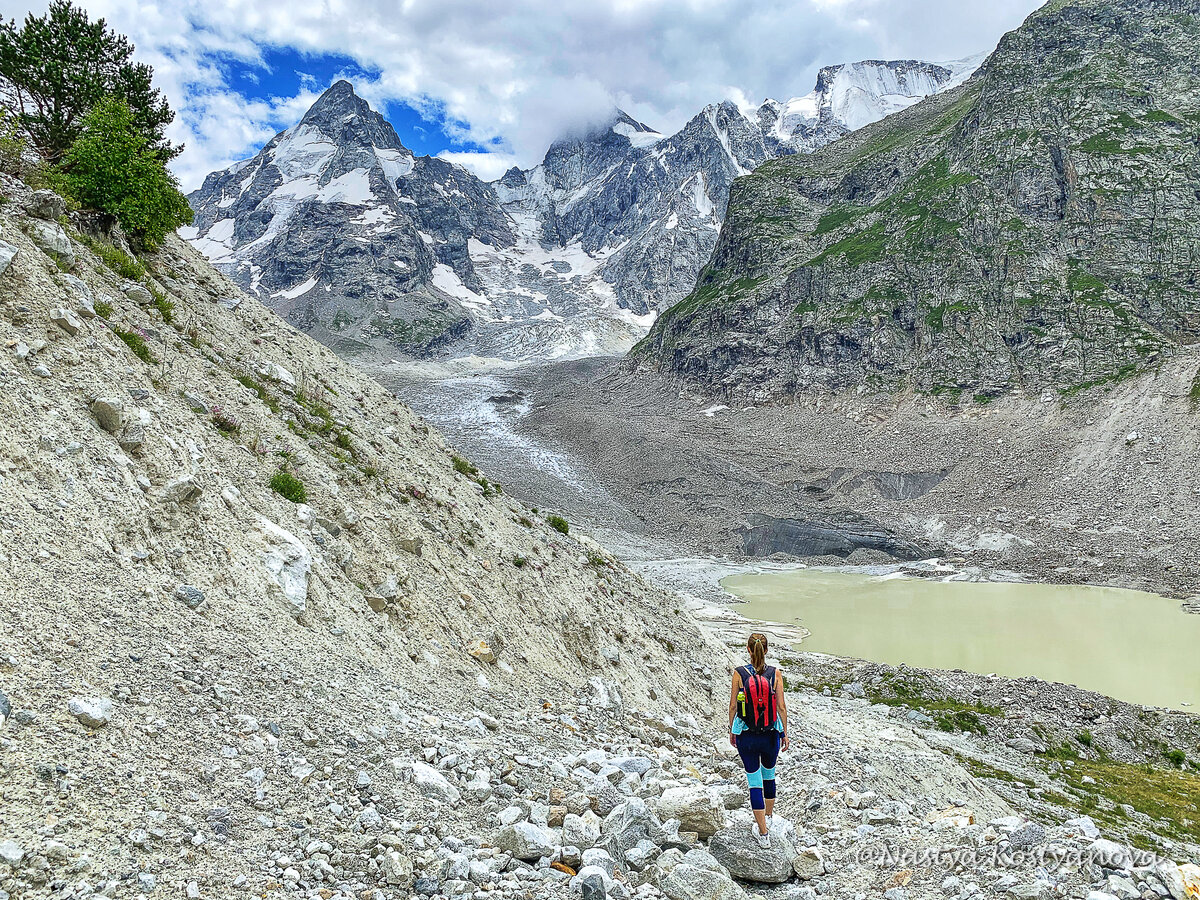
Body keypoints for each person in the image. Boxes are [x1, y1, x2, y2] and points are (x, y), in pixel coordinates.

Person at [728, 632, 789, 848]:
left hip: (747, 735)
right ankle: (769, 818)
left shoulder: (739, 673)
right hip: (770, 734)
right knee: (769, 776)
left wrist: (732, 730)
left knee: (754, 782)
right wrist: (784, 733)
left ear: (748, 649)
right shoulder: (775, 674)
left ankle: (763, 834)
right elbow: (781, 707)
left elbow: (734, 706)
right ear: (767, 650)